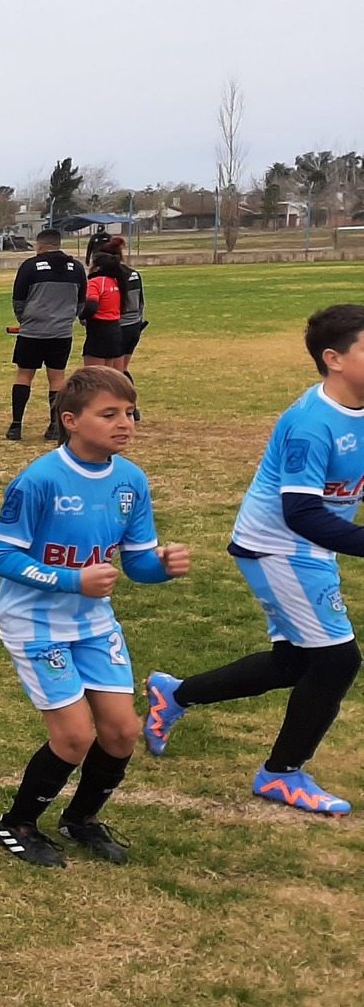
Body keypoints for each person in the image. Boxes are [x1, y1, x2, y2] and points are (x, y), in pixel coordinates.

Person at [146, 305, 364, 813]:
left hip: (306, 546)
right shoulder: (311, 424)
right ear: (333, 359)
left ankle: (174, 695)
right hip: (280, 545)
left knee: (294, 662)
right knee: (337, 661)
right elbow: (301, 513)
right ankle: (280, 774)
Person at [0, 369, 190, 869]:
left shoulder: (131, 480)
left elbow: (137, 563)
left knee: (121, 731)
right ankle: (17, 824)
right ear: (71, 420)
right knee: (74, 736)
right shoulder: (39, 480)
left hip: (94, 623)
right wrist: (71, 580)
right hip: (34, 623)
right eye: (110, 414)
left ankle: (80, 819)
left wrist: (162, 567)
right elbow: (2, 556)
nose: (125, 424)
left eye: (130, 413)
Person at [7, 228, 88, 442]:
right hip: (61, 333)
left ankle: (16, 426)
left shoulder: (30, 266)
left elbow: (18, 299)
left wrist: (25, 320)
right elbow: (81, 301)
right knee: (57, 378)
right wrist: (67, 319)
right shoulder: (77, 268)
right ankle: (55, 426)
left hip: (32, 332)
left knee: (24, 376)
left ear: (40, 246)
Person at [109, 237, 147, 412]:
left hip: (119, 326)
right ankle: (132, 408)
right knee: (122, 369)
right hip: (134, 325)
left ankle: (129, 407)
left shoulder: (112, 278)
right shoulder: (134, 274)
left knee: (117, 371)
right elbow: (141, 302)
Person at [80, 250, 125, 369]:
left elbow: (91, 307)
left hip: (99, 330)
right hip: (115, 329)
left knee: (94, 374)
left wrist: (81, 315)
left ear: (97, 268)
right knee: (108, 373)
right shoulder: (115, 281)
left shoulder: (95, 282)